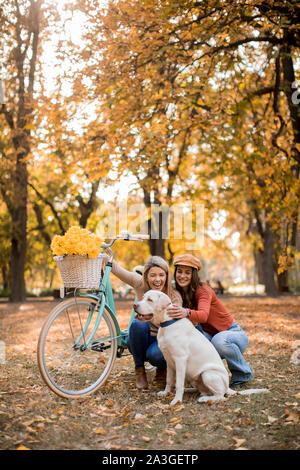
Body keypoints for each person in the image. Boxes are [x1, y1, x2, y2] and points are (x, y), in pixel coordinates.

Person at [167, 254, 253, 388]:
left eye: (187, 272)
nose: (182, 276)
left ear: (194, 275)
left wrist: (186, 312)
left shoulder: (203, 290)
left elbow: (203, 316)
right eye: (179, 271)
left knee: (219, 341)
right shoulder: (178, 291)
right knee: (193, 344)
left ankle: (243, 374)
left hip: (232, 334)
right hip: (209, 335)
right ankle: (195, 378)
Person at [106, 255, 182, 389]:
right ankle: (140, 370)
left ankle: (162, 369)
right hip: (141, 338)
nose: (157, 279)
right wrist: (103, 255)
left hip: (162, 339)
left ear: (167, 276)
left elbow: (175, 326)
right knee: (137, 324)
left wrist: (149, 316)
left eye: (161, 275)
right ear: (146, 276)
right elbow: (117, 269)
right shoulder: (140, 284)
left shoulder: (173, 295)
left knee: (156, 355)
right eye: (152, 275)